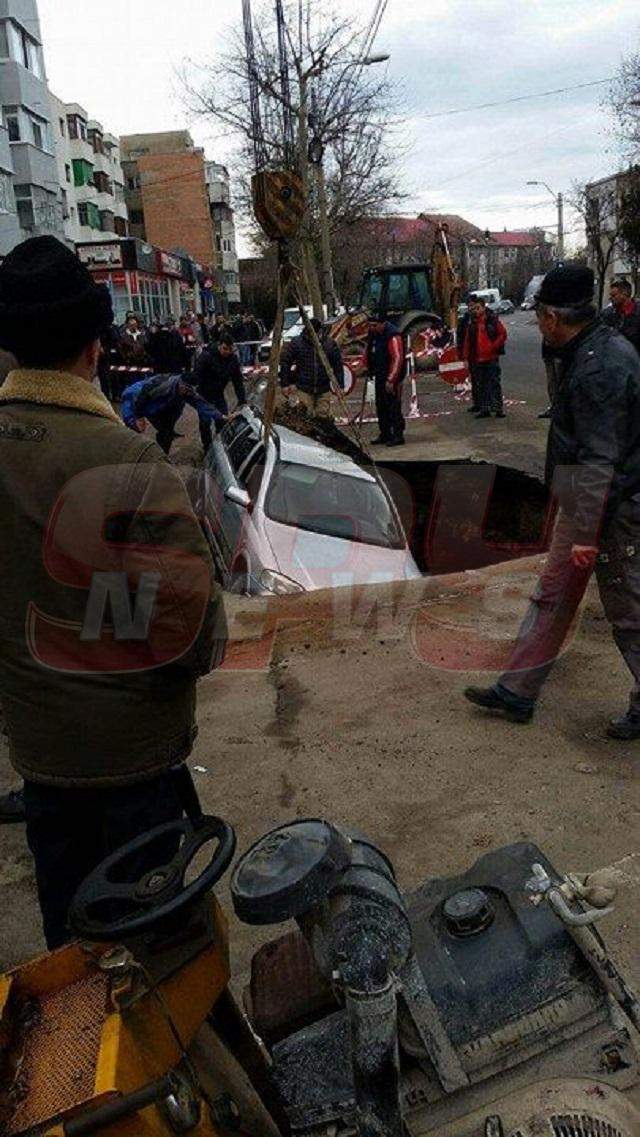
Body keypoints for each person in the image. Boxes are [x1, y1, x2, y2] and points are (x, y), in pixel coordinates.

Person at [0, 236, 226, 947]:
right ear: (96, 347)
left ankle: (80, 1057)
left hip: (40, 757)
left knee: (72, 952)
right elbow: (193, 631)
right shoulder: (127, 459)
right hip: (134, 764)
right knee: (157, 950)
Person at [464, 263, 640, 739]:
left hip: (609, 508)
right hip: (588, 499)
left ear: (552, 317)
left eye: (540, 315)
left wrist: (585, 528)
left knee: (628, 610)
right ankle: (518, 691)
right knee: (553, 596)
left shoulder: (599, 366)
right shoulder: (589, 351)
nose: (539, 323)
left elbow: (603, 456)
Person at [121, 372, 226, 454]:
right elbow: (142, 397)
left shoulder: (186, 392)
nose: (186, 393)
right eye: (185, 389)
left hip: (155, 408)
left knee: (166, 433)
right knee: (135, 430)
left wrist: (221, 416)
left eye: (189, 391)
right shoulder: (163, 386)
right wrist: (139, 417)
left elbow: (201, 404)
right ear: (180, 383)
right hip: (133, 400)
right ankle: (128, 455)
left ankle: (161, 458)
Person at [280, 316, 344, 419]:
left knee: (323, 416)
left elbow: (338, 365)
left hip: (323, 387)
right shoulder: (297, 343)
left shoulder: (329, 344)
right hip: (303, 387)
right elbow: (285, 363)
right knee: (305, 416)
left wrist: (340, 385)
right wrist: (285, 384)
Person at [193, 332, 247, 451]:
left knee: (222, 421)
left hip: (218, 394)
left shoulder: (232, 359)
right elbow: (197, 374)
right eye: (224, 349)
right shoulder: (206, 356)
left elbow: (237, 380)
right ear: (219, 345)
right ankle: (207, 448)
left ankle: (222, 446)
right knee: (205, 423)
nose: (226, 352)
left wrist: (242, 399)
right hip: (203, 395)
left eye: (229, 349)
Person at [457, 295, 507, 418]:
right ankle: (485, 408)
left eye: (478, 308)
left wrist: (493, 347)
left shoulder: (491, 319)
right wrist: (465, 357)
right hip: (477, 358)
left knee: (494, 383)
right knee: (481, 384)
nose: (476, 311)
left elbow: (502, 334)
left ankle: (497, 408)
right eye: (474, 308)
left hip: (490, 357)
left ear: (483, 307)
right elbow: (467, 341)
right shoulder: (471, 323)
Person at [367, 312, 406, 447]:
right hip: (379, 374)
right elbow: (368, 352)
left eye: (374, 325)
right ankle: (384, 433)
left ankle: (397, 434)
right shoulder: (373, 334)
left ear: (383, 323)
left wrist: (391, 379)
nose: (371, 328)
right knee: (381, 406)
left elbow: (397, 358)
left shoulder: (393, 335)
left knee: (393, 406)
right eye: (370, 325)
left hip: (391, 377)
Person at [602, 278, 640, 354]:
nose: (610, 298)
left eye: (614, 295)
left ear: (624, 294)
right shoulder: (608, 313)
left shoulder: (637, 312)